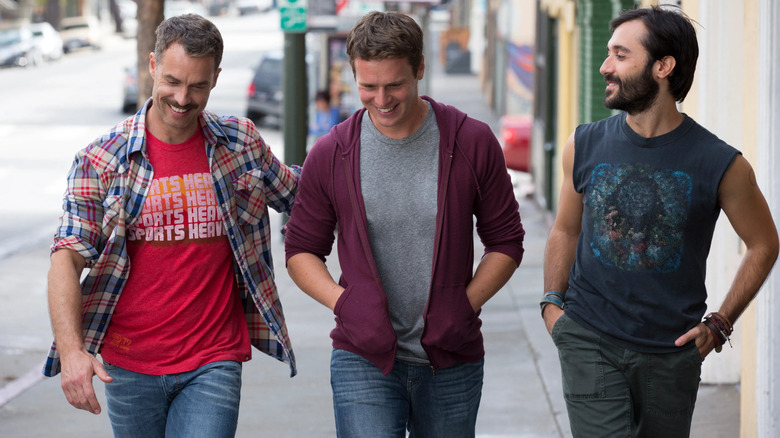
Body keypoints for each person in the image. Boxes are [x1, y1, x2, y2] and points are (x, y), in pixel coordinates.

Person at [43, 14, 299, 438]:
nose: (183, 97)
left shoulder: (241, 143)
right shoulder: (102, 159)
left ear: (216, 78)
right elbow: (65, 259)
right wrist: (72, 353)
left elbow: (300, 194)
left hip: (213, 357)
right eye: (173, 81)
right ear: (152, 66)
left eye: (198, 85)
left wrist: (357, 156)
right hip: (129, 363)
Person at [284, 11, 525, 438]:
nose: (381, 99)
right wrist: (343, 303)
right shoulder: (332, 153)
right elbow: (302, 250)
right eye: (368, 86)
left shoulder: (471, 141)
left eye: (394, 84)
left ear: (419, 69)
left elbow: (505, 241)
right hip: (363, 357)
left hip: (452, 358)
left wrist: (463, 305)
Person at [542, 6, 778, 438]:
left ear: (663, 67)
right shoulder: (585, 143)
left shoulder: (722, 163)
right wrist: (553, 307)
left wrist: (720, 324)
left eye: (620, 55)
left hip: (672, 356)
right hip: (590, 339)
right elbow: (565, 229)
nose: (604, 66)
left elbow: (764, 243)